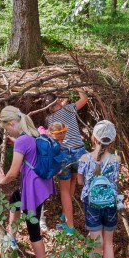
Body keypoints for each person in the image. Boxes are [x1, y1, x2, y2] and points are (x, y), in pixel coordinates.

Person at [0, 106, 55, 258]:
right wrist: (17, 143)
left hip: (33, 190)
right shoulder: (33, 133)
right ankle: (11, 236)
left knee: (33, 229)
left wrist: (2, 180)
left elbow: (13, 173)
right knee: (15, 199)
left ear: (12, 123)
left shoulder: (22, 141)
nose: (7, 131)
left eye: (7, 128)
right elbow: (30, 150)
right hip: (41, 185)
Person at [77, 120, 120, 258]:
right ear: (112, 140)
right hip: (110, 204)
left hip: (92, 204)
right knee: (108, 243)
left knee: (97, 245)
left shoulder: (84, 158)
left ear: (93, 138)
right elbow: (114, 180)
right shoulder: (116, 159)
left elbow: (80, 182)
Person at [43, 89, 88, 234]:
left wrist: (60, 102)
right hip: (79, 152)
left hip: (64, 155)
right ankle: (65, 214)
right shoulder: (69, 109)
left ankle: (69, 226)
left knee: (64, 189)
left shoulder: (49, 119)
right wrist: (79, 89)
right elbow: (84, 99)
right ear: (57, 102)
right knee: (73, 181)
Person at [38, 122, 68, 231]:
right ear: (50, 133)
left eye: (61, 140)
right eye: (58, 139)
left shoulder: (54, 143)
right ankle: (40, 219)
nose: (59, 142)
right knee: (39, 196)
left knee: (42, 196)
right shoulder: (42, 138)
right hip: (39, 171)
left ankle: (40, 218)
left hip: (47, 173)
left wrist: (57, 169)